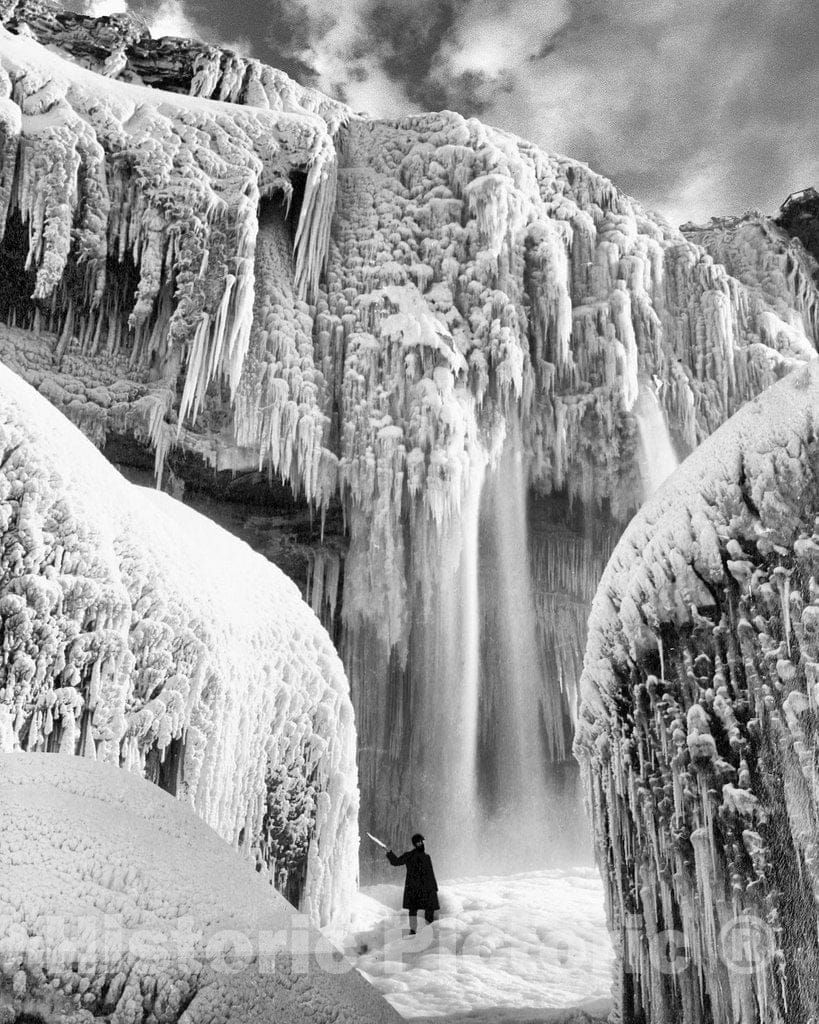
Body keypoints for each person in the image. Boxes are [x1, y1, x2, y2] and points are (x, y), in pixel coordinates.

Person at [386, 833, 439, 934]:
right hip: (418, 887)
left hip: (422, 887)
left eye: (422, 842)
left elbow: (430, 873)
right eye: (419, 842)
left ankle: (422, 930)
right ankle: (415, 930)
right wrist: (389, 853)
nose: (421, 844)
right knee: (417, 909)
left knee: (423, 909)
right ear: (415, 844)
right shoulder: (410, 855)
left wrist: (434, 888)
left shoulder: (425, 856)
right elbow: (396, 862)